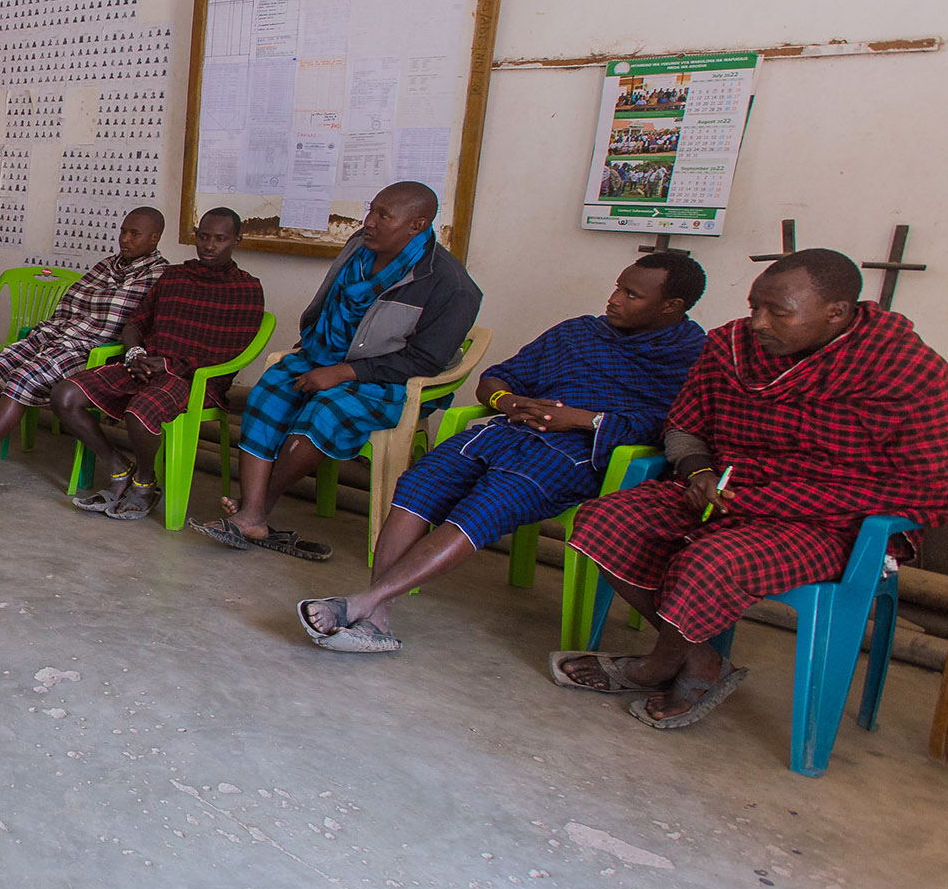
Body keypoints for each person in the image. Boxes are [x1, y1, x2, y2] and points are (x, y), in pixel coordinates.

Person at [553, 251, 948, 729]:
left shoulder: (909, 370)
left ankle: (662, 664)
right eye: (754, 307)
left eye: (778, 312)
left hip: (832, 518)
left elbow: (928, 484)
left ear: (837, 312)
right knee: (604, 521)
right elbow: (686, 423)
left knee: (709, 560)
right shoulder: (730, 346)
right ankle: (701, 659)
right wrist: (695, 469)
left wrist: (785, 498)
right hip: (728, 490)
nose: (758, 323)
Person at [298, 251, 707, 653]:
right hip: (511, 430)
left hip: (579, 452)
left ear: (672, 306)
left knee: (488, 503)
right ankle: (377, 613)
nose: (614, 298)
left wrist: (585, 420)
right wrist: (508, 402)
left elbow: (670, 426)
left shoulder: (690, 358)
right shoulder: (580, 332)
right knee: (419, 482)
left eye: (632, 295)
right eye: (618, 287)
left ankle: (362, 604)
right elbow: (497, 378)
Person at [192, 182, 481, 562]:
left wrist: (345, 372)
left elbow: (424, 361)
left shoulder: (451, 284)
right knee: (268, 392)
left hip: (390, 379)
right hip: (324, 355)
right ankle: (253, 513)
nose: (370, 222)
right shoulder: (361, 245)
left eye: (383, 215)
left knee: (324, 410)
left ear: (417, 224)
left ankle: (255, 511)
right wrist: (317, 352)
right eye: (371, 210)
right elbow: (328, 302)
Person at [0, 207, 167, 485]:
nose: (125, 239)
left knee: (24, 377)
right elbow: (73, 303)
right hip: (53, 335)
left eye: (134, 234)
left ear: (154, 238)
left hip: (89, 349)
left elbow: (132, 324)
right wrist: (47, 334)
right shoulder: (107, 265)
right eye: (123, 231)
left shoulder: (159, 275)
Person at [48, 206, 265, 520]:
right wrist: (134, 353)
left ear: (237, 241)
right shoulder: (175, 275)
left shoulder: (245, 289)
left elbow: (230, 355)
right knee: (64, 396)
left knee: (140, 412)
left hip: (192, 380)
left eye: (219, 239)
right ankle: (118, 465)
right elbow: (135, 323)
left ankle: (145, 481)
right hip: (144, 366)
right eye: (203, 237)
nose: (209, 245)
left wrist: (169, 365)